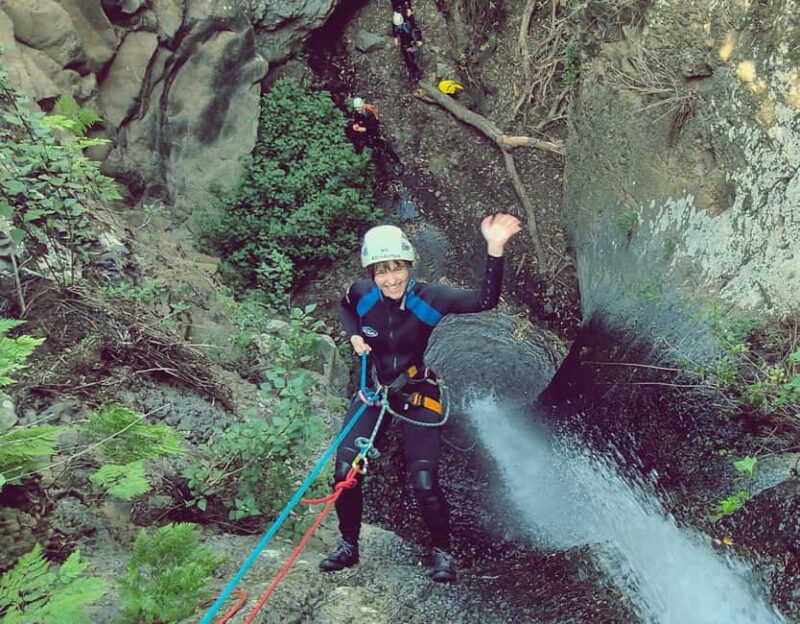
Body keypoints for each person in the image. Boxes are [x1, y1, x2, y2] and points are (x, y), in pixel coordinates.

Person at [319, 214, 522, 583]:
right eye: (382, 271)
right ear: (372, 273)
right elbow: (344, 306)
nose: (391, 279)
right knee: (344, 473)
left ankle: (442, 553)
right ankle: (349, 546)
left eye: (397, 269)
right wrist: (352, 337)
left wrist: (495, 247)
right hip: (374, 390)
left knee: (425, 480)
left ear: (409, 267)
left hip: (416, 389)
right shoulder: (362, 295)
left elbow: (485, 301)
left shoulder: (431, 298)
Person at [345, 97, 403, 173]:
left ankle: (398, 162)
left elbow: (373, 128)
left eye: (359, 108)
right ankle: (372, 154)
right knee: (365, 142)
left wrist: (362, 129)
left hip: (373, 132)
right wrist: (356, 125)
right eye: (356, 108)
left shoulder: (369, 115)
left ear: (362, 106)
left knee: (385, 146)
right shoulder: (357, 112)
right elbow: (356, 119)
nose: (358, 110)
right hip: (364, 130)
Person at [392, 11, 423, 82]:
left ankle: (417, 72)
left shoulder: (408, 24)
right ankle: (411, 71)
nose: (398, 26)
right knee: (407, 58)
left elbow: (416, 29)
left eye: (399, 25)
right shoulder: (396, 24)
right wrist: (395, 37)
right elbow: (395, 29)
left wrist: (419, 40)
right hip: (404, 43)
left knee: (414, 58)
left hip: (411, 41)